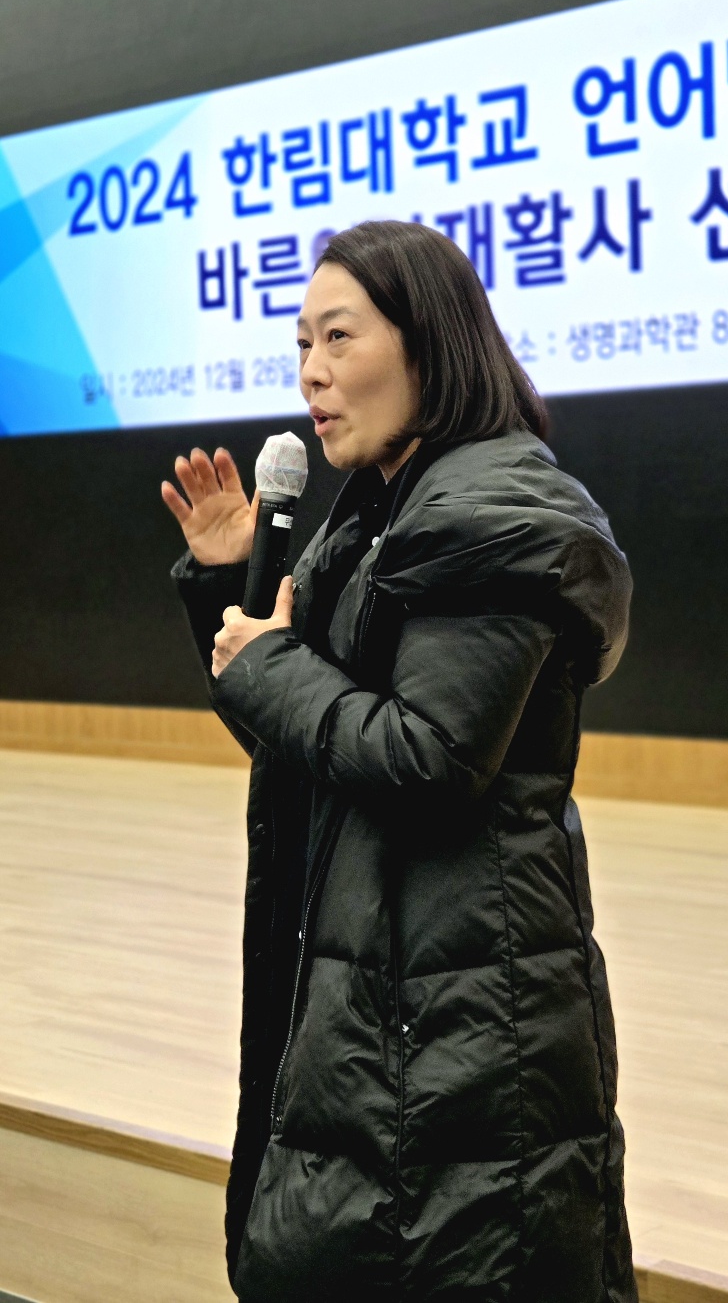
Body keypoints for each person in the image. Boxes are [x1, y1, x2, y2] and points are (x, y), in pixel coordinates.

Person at [162, 220, 637, 1303]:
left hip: (458, 1009)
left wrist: (273, 664)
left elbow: (428, 761)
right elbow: (311, 752)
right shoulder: (380, 514)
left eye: (338, 337)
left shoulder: (488, 514)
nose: (311, 371)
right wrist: (235, 596)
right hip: (388, 986)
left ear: (429, 342)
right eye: (300, 344)